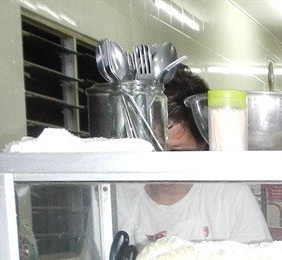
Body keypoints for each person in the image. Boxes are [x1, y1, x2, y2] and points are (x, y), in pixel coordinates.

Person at [111, 68, 271, 248]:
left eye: (176, 152)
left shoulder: (230, 196)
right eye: (153, 150)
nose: (163, 165)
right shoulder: (117, 198)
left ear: (202, 143)